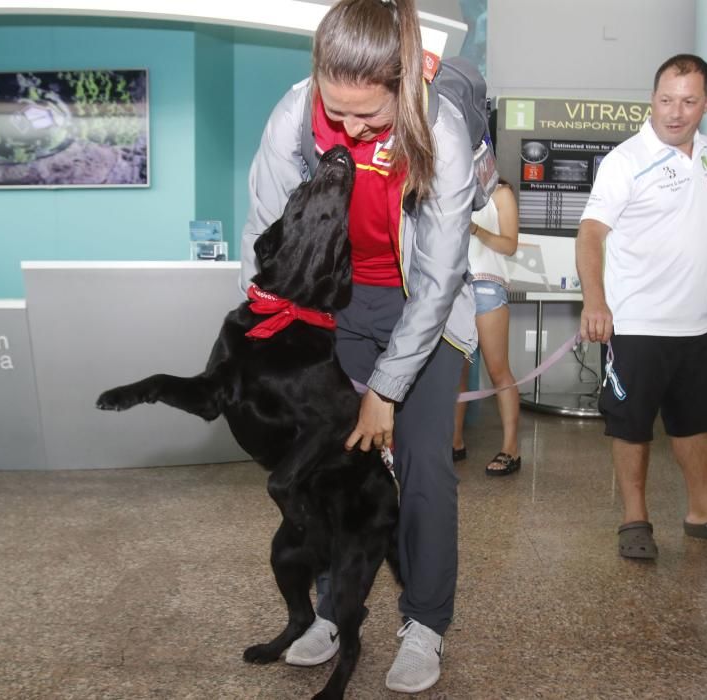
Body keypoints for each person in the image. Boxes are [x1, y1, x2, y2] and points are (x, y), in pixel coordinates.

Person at [239, 0, 478, 692]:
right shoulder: (292, 117)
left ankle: (425, 623)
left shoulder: (441, 128)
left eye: (367, 117)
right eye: (334, 112)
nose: (346, 129)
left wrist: (384, 393)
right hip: (334, 306)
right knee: (322, 468)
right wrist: (268, 340)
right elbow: (271, 239)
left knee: (425, 466)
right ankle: (333, 610)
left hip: (417, 307)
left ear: (401, 84)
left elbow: (437, 279)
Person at [576, 53, 707, 560]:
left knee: (695, 422)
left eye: (688, 101)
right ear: (652, 100)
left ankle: (704, 514)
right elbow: (591, 233)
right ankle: (634, 519)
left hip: (695, 325)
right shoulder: (626, 161)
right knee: (631, 426)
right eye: (666, 100)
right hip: (634, 323)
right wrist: (595, 301)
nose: (675, 112)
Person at [452, 181, 522, 475]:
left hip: (486, 285)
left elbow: (510, 244)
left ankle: (511, 448)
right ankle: (455, 442)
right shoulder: (450, 185)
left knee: (497, 370)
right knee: (456, 372)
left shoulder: (500, 192)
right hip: (452, 287)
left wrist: (476, 229)